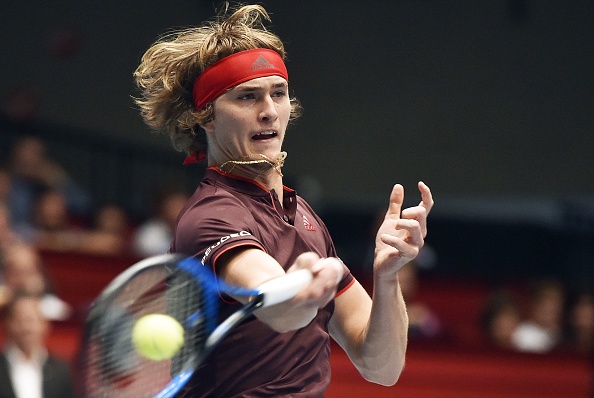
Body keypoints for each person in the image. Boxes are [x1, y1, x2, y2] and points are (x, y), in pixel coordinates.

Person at [134, 4, 433, 397]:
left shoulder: (304, 218)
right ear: (205, 117)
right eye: (247, 97)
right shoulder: (211, 216)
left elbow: (382, 366)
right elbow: (274, 301)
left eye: (279, 93)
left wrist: (388, 275)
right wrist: (299, 288)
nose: (269, 111)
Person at [0, 293, 75, 398]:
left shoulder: (61, 370)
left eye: (31, 320)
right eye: (20, 320)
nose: (26, 328)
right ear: (7, 324)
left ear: (45, 325)